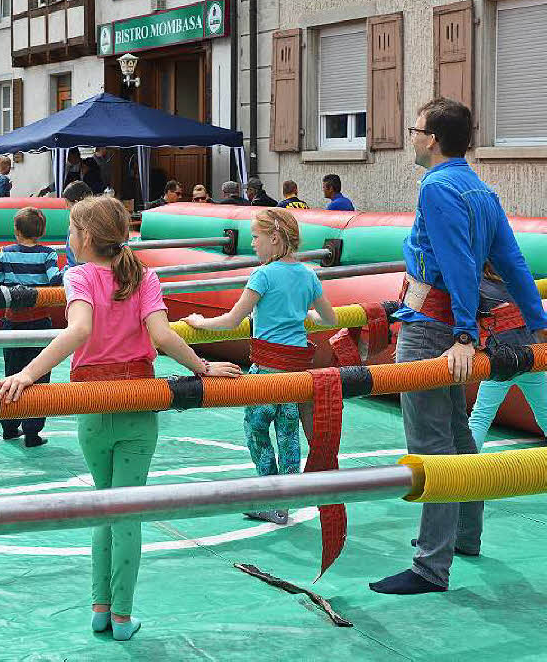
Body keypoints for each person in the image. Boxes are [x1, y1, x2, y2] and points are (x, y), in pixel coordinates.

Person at [0, 196, 242, 641]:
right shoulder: (143, 276)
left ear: (86, 238)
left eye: (70, 231)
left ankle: (100, 609)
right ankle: (123, 616)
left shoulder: (79, 275)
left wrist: (29, 373)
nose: (67, 239)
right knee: (127, 511)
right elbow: (163, 335)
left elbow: (80, 329)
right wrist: (203, 369)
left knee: (103, 505)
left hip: (93, 401)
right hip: (139, 400)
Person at [369, 97, 547, 595]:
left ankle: (430, 565)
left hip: (431, 327)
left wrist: (467, 333)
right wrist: (536, 322)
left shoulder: (437, 188)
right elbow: (510, 260)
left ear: (431, 138)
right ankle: (463, 536)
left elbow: (458, 263)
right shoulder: (482, 190)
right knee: (456, 433)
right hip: (444, 323)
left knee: (429, 441)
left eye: (415, 129)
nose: (411, 137)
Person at [184, 209, 336, 523]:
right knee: (288, 434)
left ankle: (268, 494)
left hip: (267, 372)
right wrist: (304, 315)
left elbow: (232, 320)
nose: (252, 244)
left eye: (256, 237)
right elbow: (331, 320)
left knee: (255, 431)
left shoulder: (263, 275)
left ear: (275, 238)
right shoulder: (309, 275)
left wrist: (199, 321)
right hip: (296, 373)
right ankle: (284, 501)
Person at [0, 207, 63, 447]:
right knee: (39, 375)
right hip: (39, 322)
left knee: (12, 372)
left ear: (16, 231)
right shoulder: (48, 254)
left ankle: (9, 427)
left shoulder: (5, 253)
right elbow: (54, 281)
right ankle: (32, 432)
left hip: (12, 322)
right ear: (40, 232)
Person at [467, 264, 547, 450]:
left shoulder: (477, 285)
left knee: (481, 417)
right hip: (530, 358)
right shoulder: (517, 282)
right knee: (545, 414)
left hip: (501, 361)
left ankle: (466, 461)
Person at [62, 180, 93, 269]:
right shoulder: (98, 221)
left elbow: (74, 260)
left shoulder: (75, 226)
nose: (66, 207)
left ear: (75, 203)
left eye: (67, 203)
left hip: (77, 271)